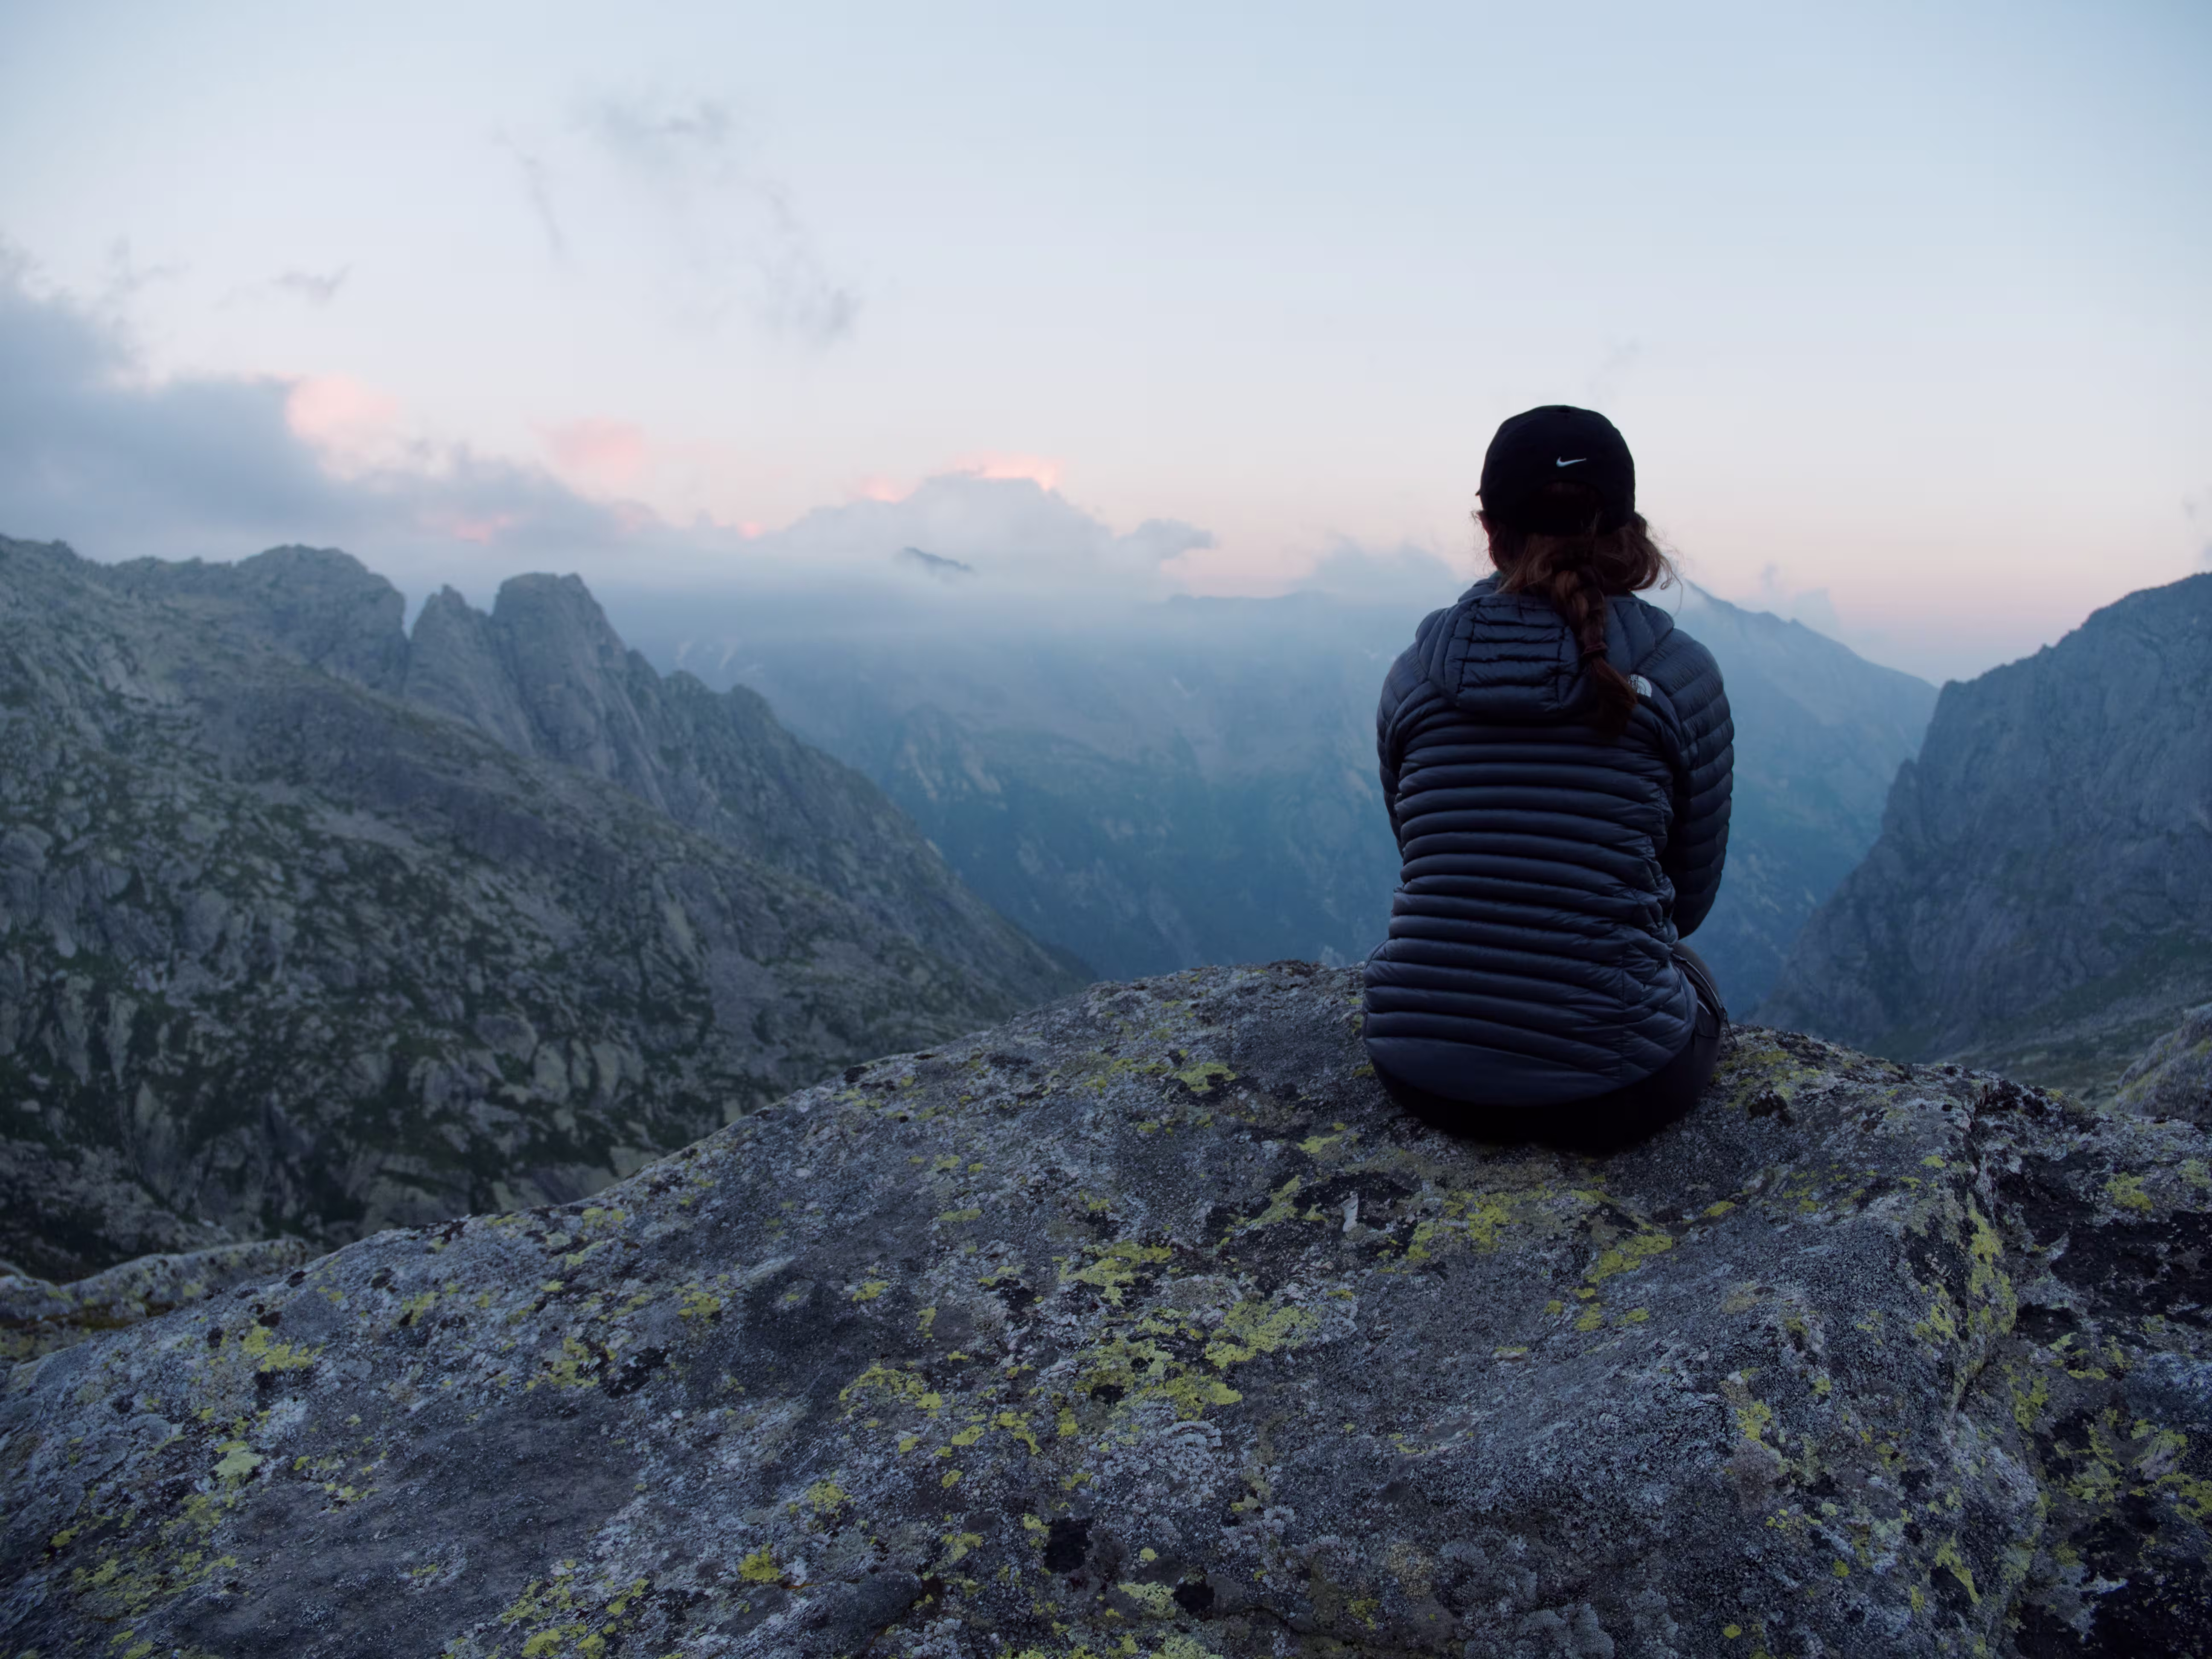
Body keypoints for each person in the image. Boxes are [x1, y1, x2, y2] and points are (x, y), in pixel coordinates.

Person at [1362, 405, 1732, 1151]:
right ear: (1629, 536)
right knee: (1690, 970)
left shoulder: (1414, 677)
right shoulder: (1679, 676)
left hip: (1416, 1069)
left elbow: (1427, 855)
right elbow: (1685, 904)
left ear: (1489, 531)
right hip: (1616, 1090)